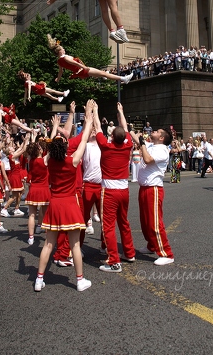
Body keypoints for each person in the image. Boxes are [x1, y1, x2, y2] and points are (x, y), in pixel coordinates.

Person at [35, 100, 94, 293]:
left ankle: (39, 279)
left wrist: (54, 129)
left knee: (48, 244)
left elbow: (51, 144)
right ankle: (79, 280)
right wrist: (89, 119)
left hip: (54, 204)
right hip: (69, 204)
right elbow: (84, 139)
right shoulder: (73, 161)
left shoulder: (49, 161)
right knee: (75, 245)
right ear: (66, 147)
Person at [93, 101, 135, 273]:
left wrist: (95, 110)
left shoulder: (106, 146)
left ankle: (114, 261)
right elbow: (125, 128)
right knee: (123, 222)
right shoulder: (128, 145)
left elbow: (97, 127)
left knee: (108, 225)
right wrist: (121, 112)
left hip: (109, 190)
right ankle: (129, 253)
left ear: (111, 137)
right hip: (124, 189)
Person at [129, 126, 174, 265]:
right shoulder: (151, 145)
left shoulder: (163, 150)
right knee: (145, 221)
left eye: (157, 131)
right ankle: (152, 245)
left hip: (153, 189)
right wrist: (125, 122)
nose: (153, 131)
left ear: (161, 138)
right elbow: (134, 136)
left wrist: (142, 143)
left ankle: (166, 253)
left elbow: (147, 159)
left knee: (155, 222)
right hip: (144, 188)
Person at [47, 34, 134, 85]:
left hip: (80, 72)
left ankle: (102, 77)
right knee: (104, 73)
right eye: (63, 49)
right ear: (59, 51)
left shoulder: (59, 61)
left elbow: (60, 72)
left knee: (103, 74)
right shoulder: (65, 57)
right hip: (82, 70)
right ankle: (123, 79)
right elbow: (75, 63)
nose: (64, 49)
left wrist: (58, 79)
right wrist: (84, 67)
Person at [25, 137, 50, 245]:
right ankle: (47, 237)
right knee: (45, 214)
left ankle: (31, 237)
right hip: (44, 189)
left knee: (32, 215)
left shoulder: (31, 160)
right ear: (39, 150)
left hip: (34, 189)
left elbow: (30, 149)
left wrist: (34, 137)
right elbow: (51, 150)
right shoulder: (44, 160)